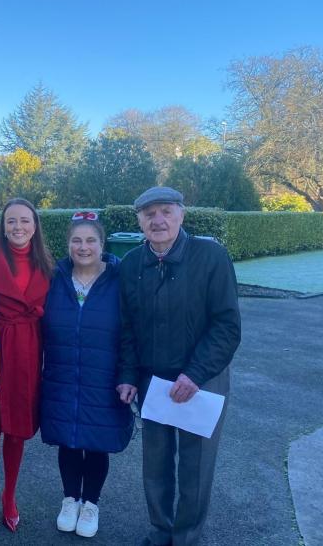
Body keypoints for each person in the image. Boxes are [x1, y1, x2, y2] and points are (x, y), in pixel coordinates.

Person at [115, 186, 241, 546]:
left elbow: (227, 325)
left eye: (166, 211)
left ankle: (186, 538)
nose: (158, 220)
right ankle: (159, 532)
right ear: (138, 220)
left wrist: (195, 374)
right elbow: (127, 328)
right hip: (154, 382)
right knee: (155, 467)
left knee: (196, 469)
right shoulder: (132, 265)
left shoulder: (211, 255)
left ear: (181, 214)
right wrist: (127, 375)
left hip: (203, 383)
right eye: (149, 213)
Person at [40, 212, 133, 539]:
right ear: (68, 244)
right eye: (76, 240)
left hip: (104, 377)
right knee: (68, 439)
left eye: (90, 240)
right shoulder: (55, 278)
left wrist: (128, 375)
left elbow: (130, 333)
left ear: (102, 244)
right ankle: (70, 499)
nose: (83, 247)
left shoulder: (119, 281)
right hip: (62, 375)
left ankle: (90, 503)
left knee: (96, 442)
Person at [0, 198, 53, 537]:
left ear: (35, 226)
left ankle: (10, 494)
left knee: (17, 427)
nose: (18, 227)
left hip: (27, 352)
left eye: (25, 221)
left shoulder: (49, 263)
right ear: (2, 225)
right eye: (11, 222)